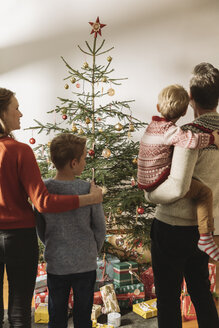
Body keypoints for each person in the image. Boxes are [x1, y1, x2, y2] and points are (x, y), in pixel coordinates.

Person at [0, 87, 103, 328]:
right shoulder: (19, 150)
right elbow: (43, 203)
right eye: (16, 108)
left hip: (33, 245)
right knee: (18, 308)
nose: (21, 114)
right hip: (18, 238)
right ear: (2, 113)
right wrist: (89, 199)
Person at [144, 63, 219, 328]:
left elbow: (176, 187)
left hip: (174, 228)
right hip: (206, 231)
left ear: (191, 97)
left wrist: (149, 196)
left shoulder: (189, 134)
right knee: (201, 292)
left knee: (167, 298)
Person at [138, 84, 219, 261]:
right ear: (183, 111)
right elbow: (190, 141)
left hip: (172, 223)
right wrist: (213, 138)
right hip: (202, 224)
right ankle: (206, 237)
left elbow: (177, 188)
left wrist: (149, 196)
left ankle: (205, 238)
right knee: (200, 287)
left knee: (167, 287)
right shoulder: (177, 133)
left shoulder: (153, 127)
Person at [36, 133, 106, 328]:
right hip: (85, 264)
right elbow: (100, 228)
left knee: (56, 314)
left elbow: (40, 228)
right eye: (84, 158)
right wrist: (92, 250)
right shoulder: (88, 189)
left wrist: (51, 245)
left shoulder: (44, 189)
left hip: (57, 263)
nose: (85, 161)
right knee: (83, 316)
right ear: (74, 163)